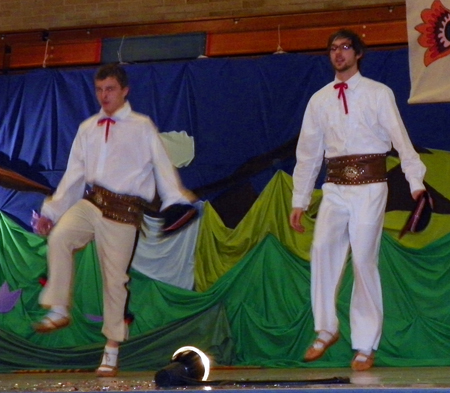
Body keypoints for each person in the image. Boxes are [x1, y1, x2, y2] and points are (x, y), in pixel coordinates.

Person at [32, 63, 194, 377]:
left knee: (115, 281)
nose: (104, 95)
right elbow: (74, 175)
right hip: (92, 202)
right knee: (60, 237)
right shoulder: (88, 127)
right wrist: (51, 213)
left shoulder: (141, 125)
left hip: (123, 213)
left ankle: (111, 350)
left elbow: (162, 166)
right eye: (99, 89)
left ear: (124, 91)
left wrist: (175, 199)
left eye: (110, 89)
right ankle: (59, 307)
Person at [289, 29, 426, 371]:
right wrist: (300, 200)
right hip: (335, 187)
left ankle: (365, 345)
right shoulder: (319, 100)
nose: (338, 53)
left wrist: (416, 183)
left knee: (364, 259)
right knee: (321, 250)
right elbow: (307, 154)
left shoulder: (379, 94)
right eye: (333, 49)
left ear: (358, 53)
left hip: (371, 186)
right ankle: (326, 328)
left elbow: (400, 139)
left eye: (345, 47)